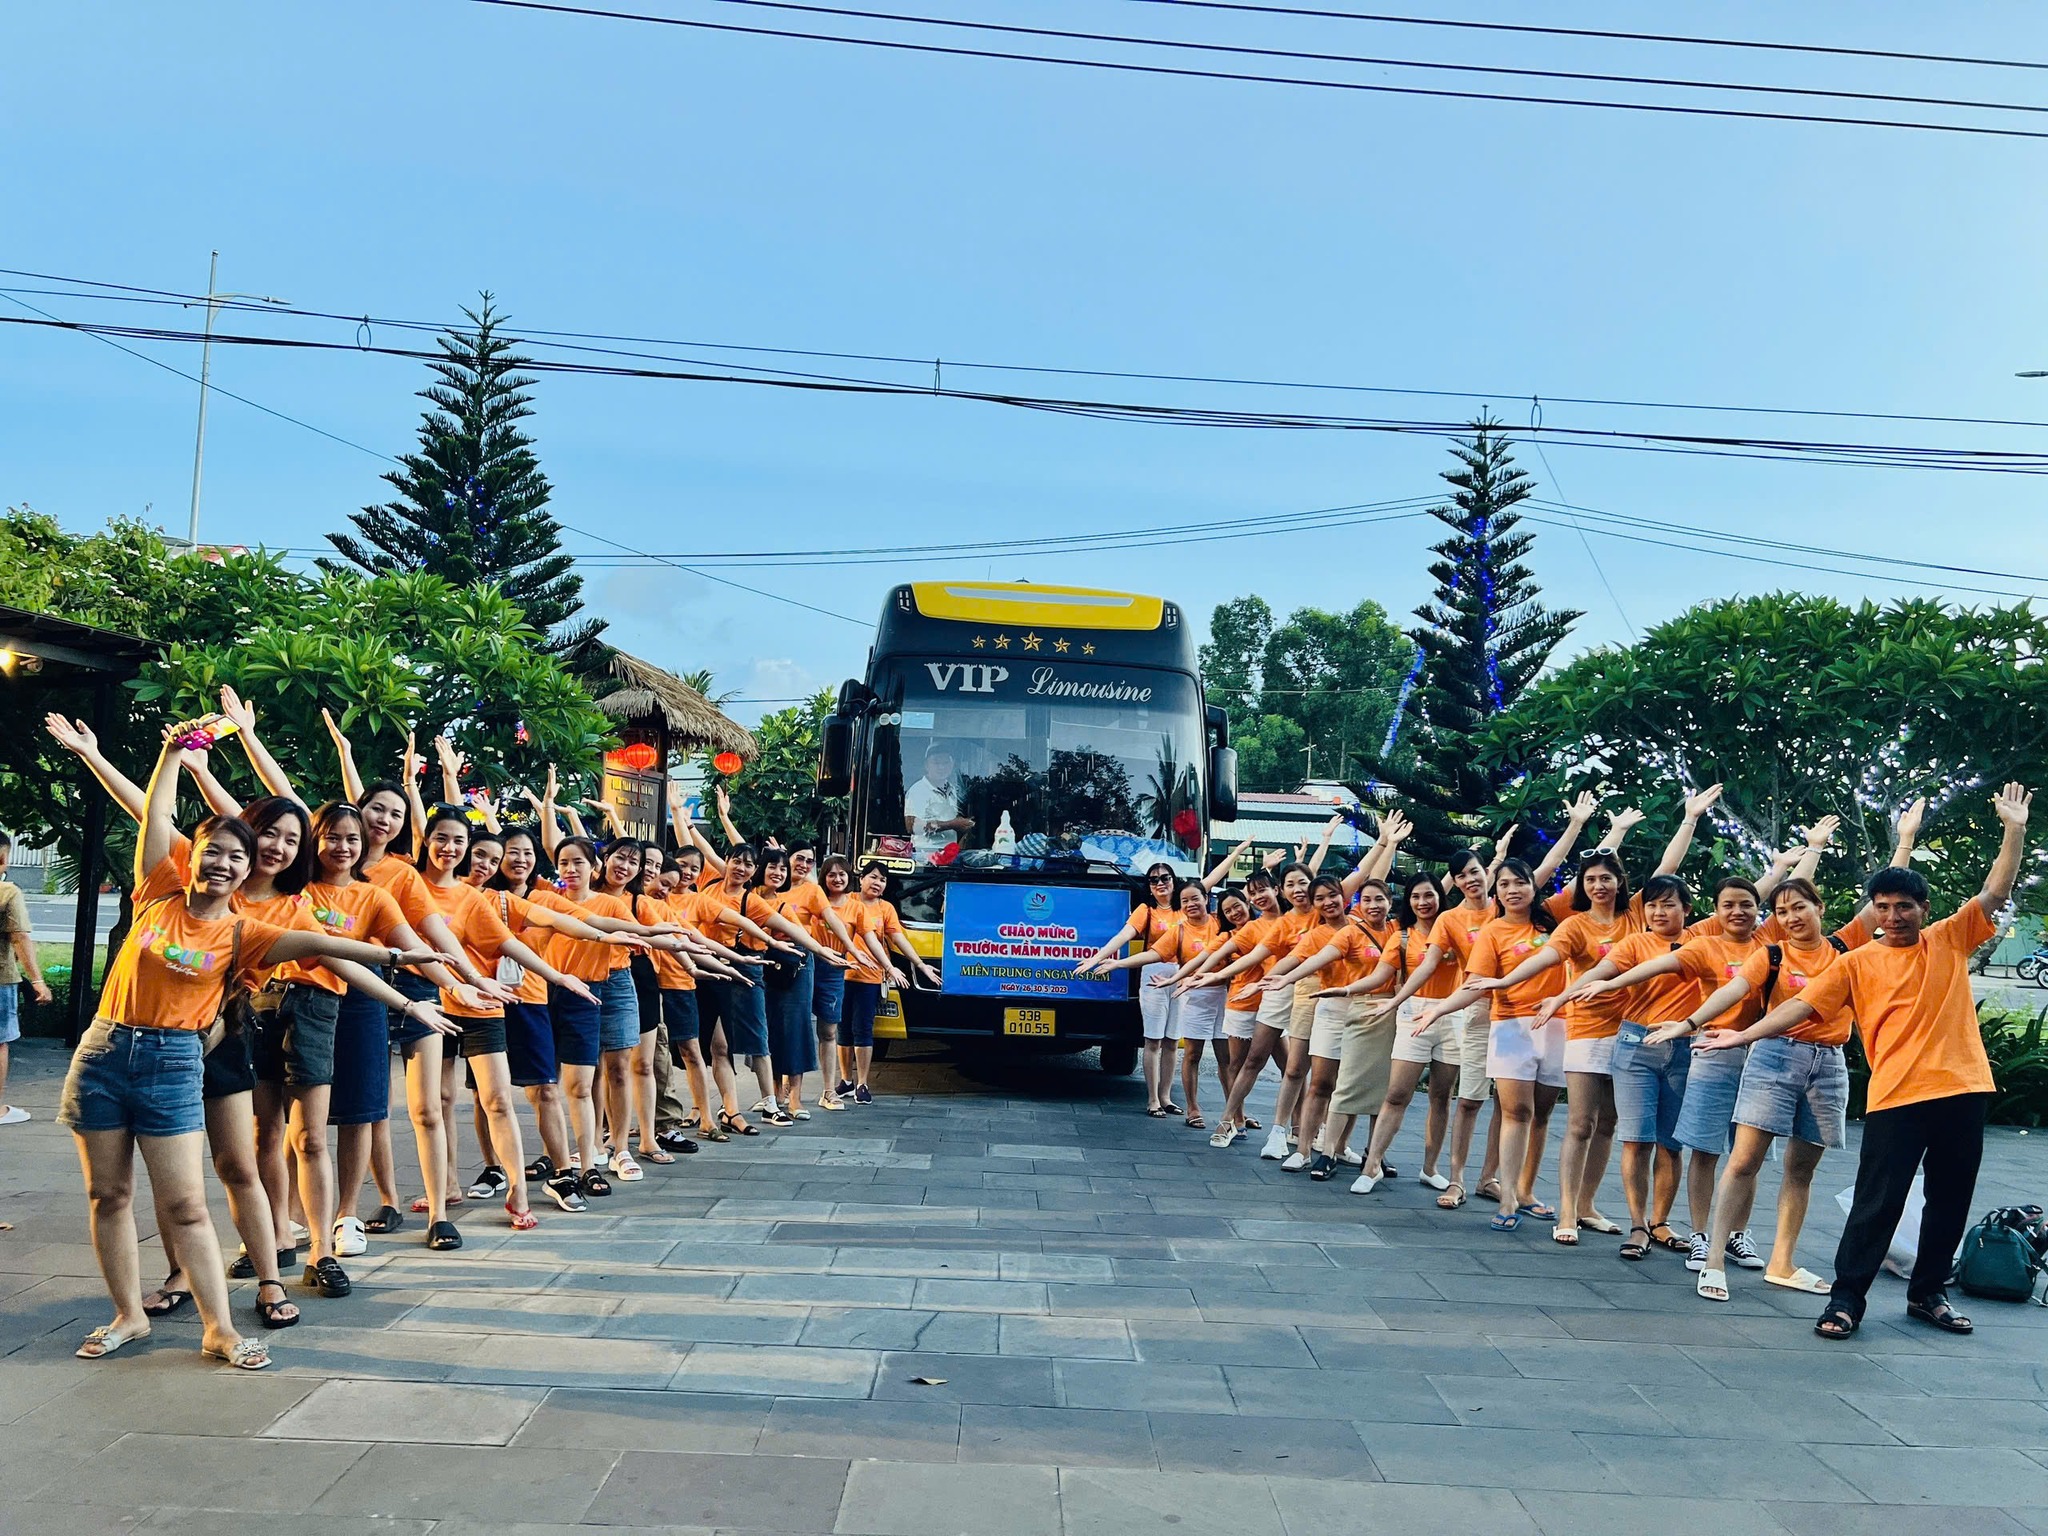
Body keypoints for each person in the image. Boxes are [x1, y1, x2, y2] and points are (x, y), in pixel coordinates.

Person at [59, 731, 450, 1367]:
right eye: (219, 849)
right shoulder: (160, 889)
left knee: (209, 1185)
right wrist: (159, 756)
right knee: (110, 1194)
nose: (234, 859)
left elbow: (331, 950)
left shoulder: (258, 925)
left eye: (244, 853)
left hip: (194, 1050)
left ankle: (245, 1301)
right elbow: (153, 813)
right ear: (194, 854)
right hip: (105, 1052)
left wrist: (405, 972)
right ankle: (132, 1312)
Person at [1727, 783, 2031, 1341]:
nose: (1893, 916)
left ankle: (1928, 1294)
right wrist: (1740, 1033)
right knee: (1877, 1202)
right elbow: (1800, 1005)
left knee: (1949, 1200)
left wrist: (2014, 829)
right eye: (1884, 907)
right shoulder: (1855, 962)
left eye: (1904, 906)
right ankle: (1846, 1300)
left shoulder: (1948, 939)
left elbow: (1996, 889)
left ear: (1924, 909)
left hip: (1963, 1090)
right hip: (1897, 1096)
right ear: (1874, 911)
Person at [1664, 878, 1870, 1301]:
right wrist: (1690, 1023)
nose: (1791, 918)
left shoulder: (1845, 951)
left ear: (1819, 907)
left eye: (1799, 907)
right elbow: (1734, 989)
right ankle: (1714, 1259)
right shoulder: (1771, 955)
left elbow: (1878, 900)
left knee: (1801, 1169)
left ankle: (1782, 1263)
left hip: (1828, 1063)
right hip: (1775, 1055)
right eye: (1781, 912)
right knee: (1744, 1160)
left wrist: (1903, 845)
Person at [1414, 859, 1567, 1230]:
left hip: (1556, 1025)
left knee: (1540, 1113)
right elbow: (1475, 985)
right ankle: (1507, 1196)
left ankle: (1524, 1190)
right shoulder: (1492, 931)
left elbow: (1587, 876)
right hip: (1510, 1026)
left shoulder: (1554, 918)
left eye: (1520, 882)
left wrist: (1611, 832)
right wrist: (1439, 1010)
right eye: (1504, 884)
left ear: (1534, 885)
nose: (1513, 890)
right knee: (1514, 1111)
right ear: (1495, 891)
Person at [1269, 877, 1398, 1179]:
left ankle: (1352, 1149)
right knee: (1321, 1083)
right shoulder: (1331, 934)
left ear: (1344, 897)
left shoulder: (1392, 930)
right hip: (1333, 1007)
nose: (1328, 902)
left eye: (1333, 895)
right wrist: (1280, 979)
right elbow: (1308, 960)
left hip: (1373, 1009)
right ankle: (1304, 1150)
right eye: (1320, 898)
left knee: (1358, 1084)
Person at [1349, 871, 1453, 1193]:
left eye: (1429, 895)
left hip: (1451, 1014)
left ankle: (1430, 1168)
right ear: (1408, 901)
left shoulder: (1454, 929)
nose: (1423, 902)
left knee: (1441, 1096)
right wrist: (1347, 990)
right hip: (1412, 1014)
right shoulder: (1402, 937)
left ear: (1440, 896)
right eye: (1416, 896)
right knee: (1396, 1094)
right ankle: (1372, 1165)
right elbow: (1381, 974)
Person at [1086, 879, 1223, 1124]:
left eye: (1166, 878)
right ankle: (1153, 1100)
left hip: (1185, 978)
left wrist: (1239, 855)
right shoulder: (1153, 914)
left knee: (1173, 1040)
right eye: (1154, 880)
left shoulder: (1212, 921)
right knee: (1154, 1039)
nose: (1161, 883)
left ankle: (1166, 1097)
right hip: (1157, 974)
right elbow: (1140, 947)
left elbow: (1211, 883)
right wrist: (1110, 961)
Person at [758, 846, 858, 1120]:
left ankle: (798, 1097)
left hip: (800, 961)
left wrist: (849, 950)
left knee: (799, 1028)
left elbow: (830, 920)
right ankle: (773, 1095)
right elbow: (733, 865)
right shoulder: (761, 891)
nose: (803, 864)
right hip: (767, 959)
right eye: (798, 859)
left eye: (809, 861)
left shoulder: (811, 891)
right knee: (770, 1027)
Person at [842, 860, 939, 1101]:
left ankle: (862, 1084)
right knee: (842, 1030)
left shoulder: (885, 909)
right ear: (861, 879)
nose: (877, 883)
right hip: (842, 974)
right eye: (873, 877)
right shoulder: (847, 900)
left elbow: (898, 939)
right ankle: (845, 1081)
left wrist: (920, 964)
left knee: (863, 1029)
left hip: (870, 977)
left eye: (883, 880)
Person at [0, 827, 51, 1126]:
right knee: (0, 1043)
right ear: (3, 860)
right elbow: (19, 937)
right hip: (1, 978)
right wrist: (38, 981)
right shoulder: (8, 892)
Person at [904, 743, 973, 857]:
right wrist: (952, 824)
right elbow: (912, 826)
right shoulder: (918, 790)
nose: (941, 767)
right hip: (925, 854)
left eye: (945, 763)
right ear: (926, 765)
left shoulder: (953, 789)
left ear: (952, 765)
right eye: (936, 763)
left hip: (950, 853)